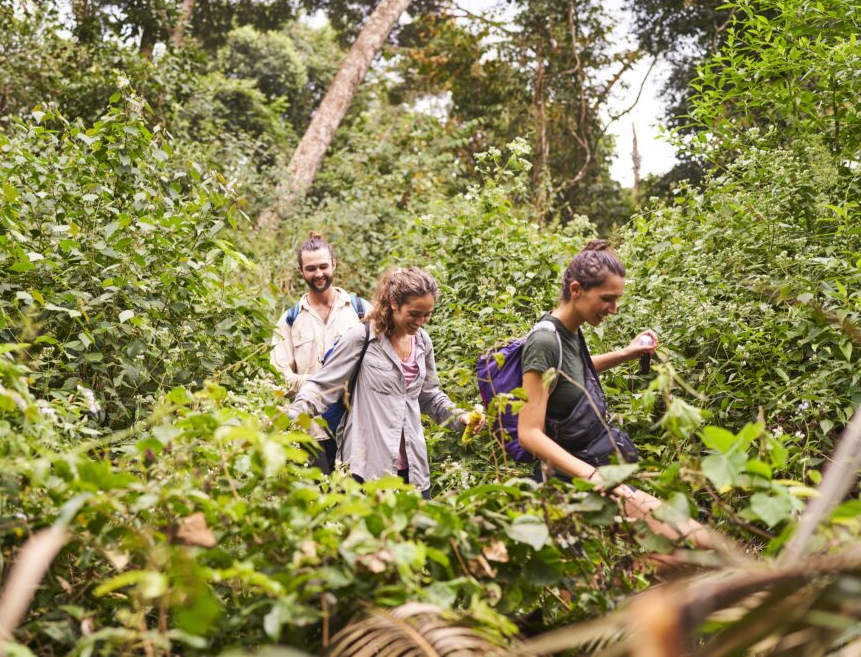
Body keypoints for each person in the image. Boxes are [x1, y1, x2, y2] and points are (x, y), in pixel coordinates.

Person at [515, 240, 711, 548]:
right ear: (577, 290)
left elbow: (570, 376)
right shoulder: (544, 341)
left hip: (595, 477)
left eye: (617, 299)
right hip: (570, 486)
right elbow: (528, 433)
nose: (614, 309)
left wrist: (627, 353)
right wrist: (594, 477)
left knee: (685, 548)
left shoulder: (570, 330)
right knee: (692, 542)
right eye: (607, 299)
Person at [287, 268, 485, 499]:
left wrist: (461, 418)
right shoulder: (362, 339)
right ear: (392, 302)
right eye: (414, 313)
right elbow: (322, 387)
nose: (420, 322)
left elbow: (430, 396)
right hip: (366, 467)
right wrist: (291, 417)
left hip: (413, 469)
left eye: (427, 314)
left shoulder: (423, 342)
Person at [271, 232, 370, 469]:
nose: (318, 274)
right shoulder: (290, 320)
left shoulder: (361, 311)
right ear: (300, 271)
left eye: (324, 266)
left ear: (334, 265)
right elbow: (277, 375)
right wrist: (319, 383)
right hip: (310, 432)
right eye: (311, 268)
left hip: (356, 430)